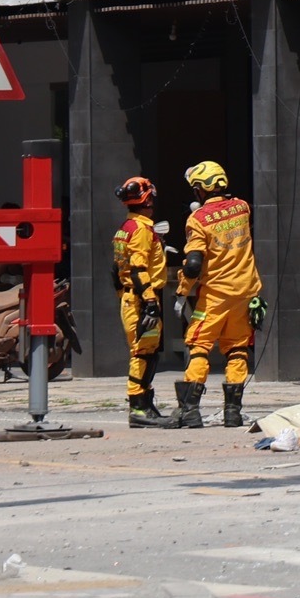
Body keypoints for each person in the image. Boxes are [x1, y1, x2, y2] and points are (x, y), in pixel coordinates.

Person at [176, 160, 263, 428]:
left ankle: (190, 411)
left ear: (202, 189)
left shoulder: (198, 219)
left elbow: (192, 264)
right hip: (246, 291)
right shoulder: (242, 207)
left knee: (199, 346)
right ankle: (232, 412)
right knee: (237, 349)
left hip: (215, 294)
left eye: (196, 188)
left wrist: (182, 291)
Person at [111, 176, 173, 428]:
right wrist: (149, 301)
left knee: (148, 352)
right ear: (147, 200)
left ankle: (146, 404)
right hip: (141, 299)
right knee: (142, 353)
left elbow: (115, 271)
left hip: (131, 297)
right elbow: (138, 269)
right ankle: (138, 408)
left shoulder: (125, 229)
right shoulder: (141, 231)